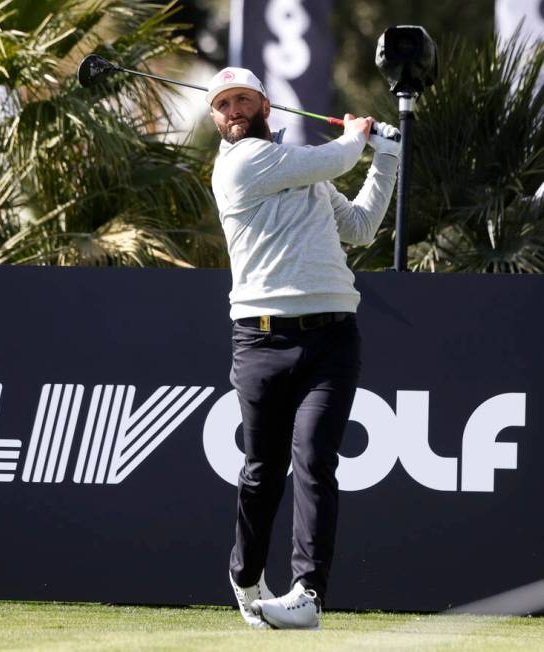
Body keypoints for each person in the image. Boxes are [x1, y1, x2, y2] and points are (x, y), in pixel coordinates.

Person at [206, 67, 400, 629]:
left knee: (315, 460)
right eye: (223, 105)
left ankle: (308, 594)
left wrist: (386, 157)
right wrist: (362, 134)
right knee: (263, 470)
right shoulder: (241, 164)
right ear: (216, 120)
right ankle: (245, 575)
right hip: (263, 339)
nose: (234, 110)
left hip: (333, 336)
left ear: (266, 105)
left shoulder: (303, 175)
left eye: (244, 99)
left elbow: (360, 227)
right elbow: (339, 156)